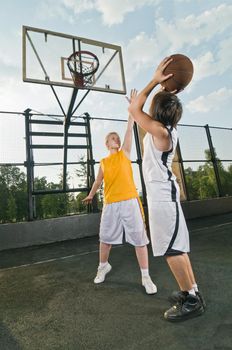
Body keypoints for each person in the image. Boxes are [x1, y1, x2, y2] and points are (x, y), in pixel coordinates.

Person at [128, 56, 206, 321]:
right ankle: (191, 291)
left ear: (157, 112)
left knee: (172, 251)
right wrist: (169, 89)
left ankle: (192, 301)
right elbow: (152, 108)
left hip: (163, 200)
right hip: (166, 198)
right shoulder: (168, 129)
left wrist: (154, 79)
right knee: (178, 248)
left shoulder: (159, 132)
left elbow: (135, 109)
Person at [82, 99, 157, 295]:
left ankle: (145, 276)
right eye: (112, 137)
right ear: (107, 143)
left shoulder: (125, 153)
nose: (116, 138)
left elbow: (129, 128)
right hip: (111, 203)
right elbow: (98, 182)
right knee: (105, 238)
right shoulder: (104, 162)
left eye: (117, 136)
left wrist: (132, 110)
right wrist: (90, 195)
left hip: (130, 201)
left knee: (139, 239)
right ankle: (103, 267)